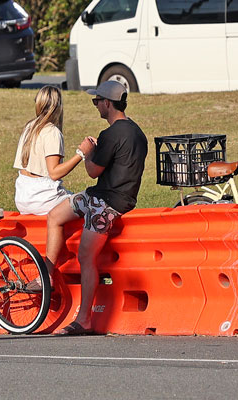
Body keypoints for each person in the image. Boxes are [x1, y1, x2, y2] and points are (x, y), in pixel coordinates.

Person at [46, 80, 147, 336]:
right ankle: (46, 275)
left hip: (108, 204)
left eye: (96, 101)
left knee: (85, 257)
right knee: (56, 215)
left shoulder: (110, 134)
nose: (95, 106)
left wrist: (85, 152)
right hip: (106, 198)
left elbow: (93, 172)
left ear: (107, 103)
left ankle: (84, 319)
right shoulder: (137, 132)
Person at [13, 85, 92, 215]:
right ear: (58, 106)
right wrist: (81, 153)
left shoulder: (29, 127)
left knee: (72, 196)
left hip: (22, 197)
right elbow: (54, 173)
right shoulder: (52, 132)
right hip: (42, 200)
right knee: (89, 202)